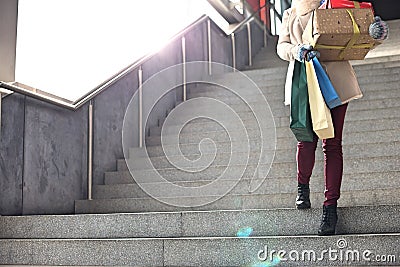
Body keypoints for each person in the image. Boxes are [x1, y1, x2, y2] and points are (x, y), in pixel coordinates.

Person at [276, 0, 389, 235]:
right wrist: (295, 51)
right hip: (304, 83)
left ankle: (330, 208)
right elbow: (282, 46)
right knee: (306, 141)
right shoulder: (290, 12)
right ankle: (302, 187)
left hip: (336, 82)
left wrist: (376, 34)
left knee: (333, 145)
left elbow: (359, 36)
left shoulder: (337, 5)